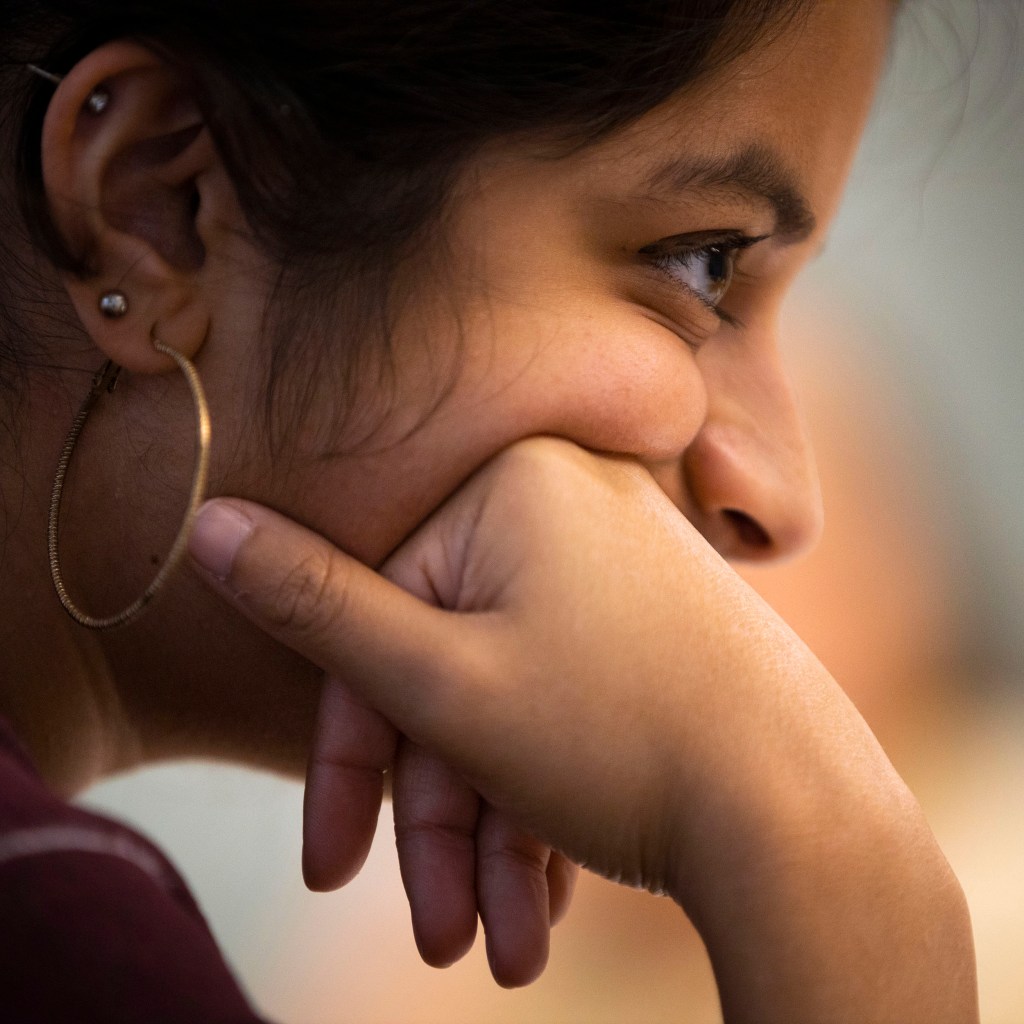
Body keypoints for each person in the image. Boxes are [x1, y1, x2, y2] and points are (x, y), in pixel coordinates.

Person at [0, 2, 977, 1021]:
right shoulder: (50, 943)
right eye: (701, 262)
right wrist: (827, 857)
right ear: (159, 207)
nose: (782, 503)